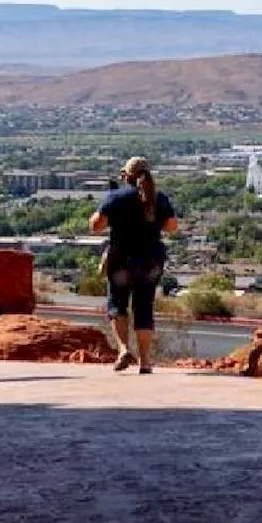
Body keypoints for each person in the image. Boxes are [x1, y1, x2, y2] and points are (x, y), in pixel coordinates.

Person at [89, 157, 178, 374]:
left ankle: (123, 349)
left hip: (122, 260)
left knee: (118, 303)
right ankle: (145, 361)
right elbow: (172, 227)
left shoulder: (116, 197)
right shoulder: (159, 198)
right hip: (151, 260)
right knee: (144, 305)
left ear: (126, 175)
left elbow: (96, 226)